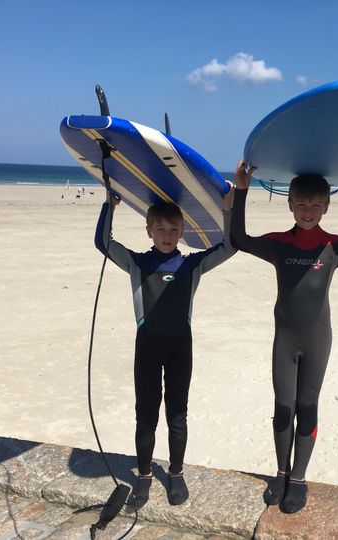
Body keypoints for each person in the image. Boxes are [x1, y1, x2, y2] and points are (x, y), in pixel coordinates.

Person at [231, 161, 338, 513]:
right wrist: (241, 190)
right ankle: (281, 472)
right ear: (289, 205)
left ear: (326, 207)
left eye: (314, 205)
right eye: (300, 205)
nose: (307, 212)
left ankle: (299, 478)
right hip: (285, 340)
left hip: (317, 339)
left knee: (307, 406)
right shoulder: (278, 245)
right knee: (282, 407)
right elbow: (239, 239)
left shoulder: (333, 246)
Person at [94, 184, 235, 508]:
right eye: (160, 229)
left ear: (182, 231)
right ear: (149, 231)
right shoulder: (138, 263)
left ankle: (175, 473)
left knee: (177, 413)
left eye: (173, 229)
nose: (167, 235)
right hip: (147, 346)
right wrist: (109, 206)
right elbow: (103, 243)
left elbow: (229, 247)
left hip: (179, 347)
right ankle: (144, 475)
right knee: (145, 415)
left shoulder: (191, 264)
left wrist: (228, 209)